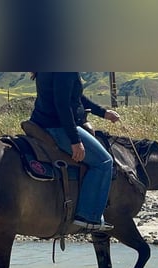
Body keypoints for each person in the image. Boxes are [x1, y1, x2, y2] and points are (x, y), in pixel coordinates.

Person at [29, 72, 121, 231]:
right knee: (104, 162)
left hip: (41, 122)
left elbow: (74, 97)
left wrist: (103, 113)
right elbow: (62, 104)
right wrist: (75, 140)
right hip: (57, 126)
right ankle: (88, 216)